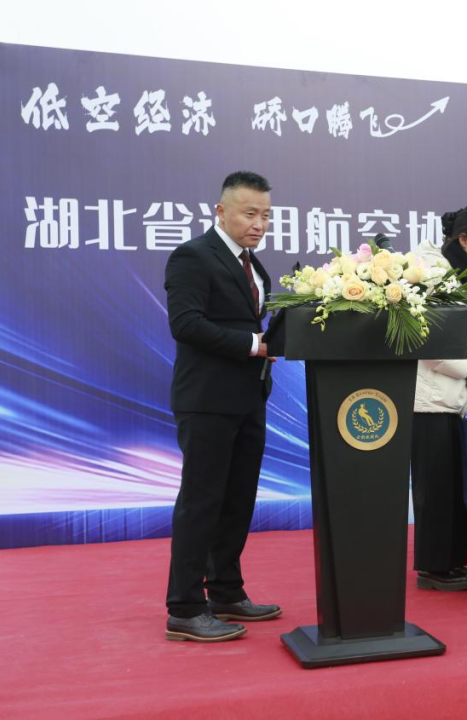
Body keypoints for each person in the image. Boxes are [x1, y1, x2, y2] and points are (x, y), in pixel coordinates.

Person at [163, 171, 281, 642]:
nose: (259, 224)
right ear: (221, 211)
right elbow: (186, 324)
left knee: (237, 500)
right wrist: (254, 345)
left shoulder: (254, 265)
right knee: (202, 502)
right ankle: (185, 608)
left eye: (266, 215)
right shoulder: (193, 256)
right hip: (207, 400)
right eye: (250, 213)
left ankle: (227, 592)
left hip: (249, 398)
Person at [410, 206, 467, 591]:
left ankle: (451, 562)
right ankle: (434, 568)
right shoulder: (430, 272)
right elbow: (424, 339)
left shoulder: (464, 274)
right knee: (434, 489)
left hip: (451, 398)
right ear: (464, 239)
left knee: (451, 488)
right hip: (428, 399)